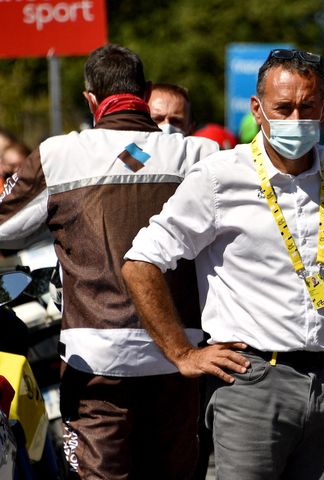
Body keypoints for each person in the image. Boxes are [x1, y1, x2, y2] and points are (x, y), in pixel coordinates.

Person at [121, 48, 324, 479]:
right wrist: (182, 353)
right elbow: (141, 262)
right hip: (251, 384)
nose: (296, 120)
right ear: (258, 109)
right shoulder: (219, 176)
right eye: (283, 108)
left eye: (307, 107)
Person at [0, 44, 219, 478]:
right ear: (146, 91)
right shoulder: (202, 155)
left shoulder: (56, 155)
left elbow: (4, 227)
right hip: (183, 354)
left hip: (95, 358)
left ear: (90, 99)